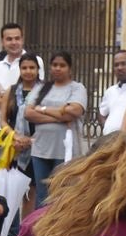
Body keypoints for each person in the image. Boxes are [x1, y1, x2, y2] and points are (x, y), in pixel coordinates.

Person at [23, 51, 87, 207]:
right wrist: (60, 115)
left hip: (64, 150)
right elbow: (28, 113)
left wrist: (42, 109)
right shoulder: (42, 88)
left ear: (70, 68)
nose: (58, 68)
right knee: (42, 195)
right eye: (54, 65)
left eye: (62, 65)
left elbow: (74, 111)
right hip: (41, 149)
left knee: (61, 194)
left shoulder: (77, 88)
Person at [0, 22, 43, 149]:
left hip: (27, 129)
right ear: (3, 41)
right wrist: (11, 100)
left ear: (22, 39)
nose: (13, 42)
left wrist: (2, 95)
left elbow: (37, 95)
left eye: (17, 38)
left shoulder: (35, 61)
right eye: (9, 39)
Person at [1, 53, 42, 231]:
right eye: (24, 68)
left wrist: (30, 141)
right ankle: (10, 231)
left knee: (30, 192)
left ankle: (24, 232)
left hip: (37, 145)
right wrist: (16, 137)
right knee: (11, 192)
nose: (28, 71)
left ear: (38, 70)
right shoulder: (11, 91)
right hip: (14, 147)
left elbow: (46, 119)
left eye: (32, 67)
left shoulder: (45, 91)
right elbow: (2, 120)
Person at [98, 49, 126, 135]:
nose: (119, 68)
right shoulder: (110, 91)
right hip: (109, 142)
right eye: (116, 65)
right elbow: (102, 113)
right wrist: (107, 128)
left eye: (123, 64)